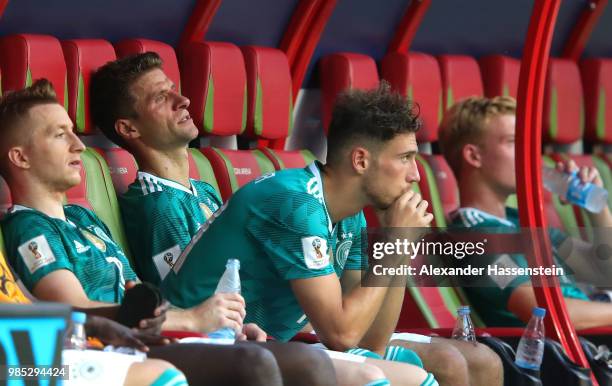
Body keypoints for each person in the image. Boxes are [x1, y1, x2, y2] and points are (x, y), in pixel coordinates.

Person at [90, 51, 500, 386]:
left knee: (473, 362)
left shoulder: (349, 211)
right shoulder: (294, 201)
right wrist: (393, 250)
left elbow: (365, 340)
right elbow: (341, 334)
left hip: (267, 338)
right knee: (414, 372)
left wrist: (395, 244)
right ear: (361, 160)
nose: (415, 174)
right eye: (406, 159)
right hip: (208, 341)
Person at [0, 79, 347, 386]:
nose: (79, 145)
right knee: (257, 363)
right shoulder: (29, 225)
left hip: (152, 336)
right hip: (109, 350)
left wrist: (223, 328)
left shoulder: (82, 216)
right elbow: (72, 307)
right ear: (20, 157)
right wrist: (194, 320)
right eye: (60, 135)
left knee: (309, 361)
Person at [439, 95, 612, 329]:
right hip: (568, 354)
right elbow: (544, 313)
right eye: (513, 143)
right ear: (473, 156)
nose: (528, 155)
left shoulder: (519, 221)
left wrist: (597, 207)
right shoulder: (476, 239)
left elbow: (603, 270)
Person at [0, 247, 187, 386]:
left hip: (51, 345)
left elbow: (29, 304)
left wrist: (121, 316)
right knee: (163, 376)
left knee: (195, 358)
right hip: (14, 365)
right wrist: (89, 325)